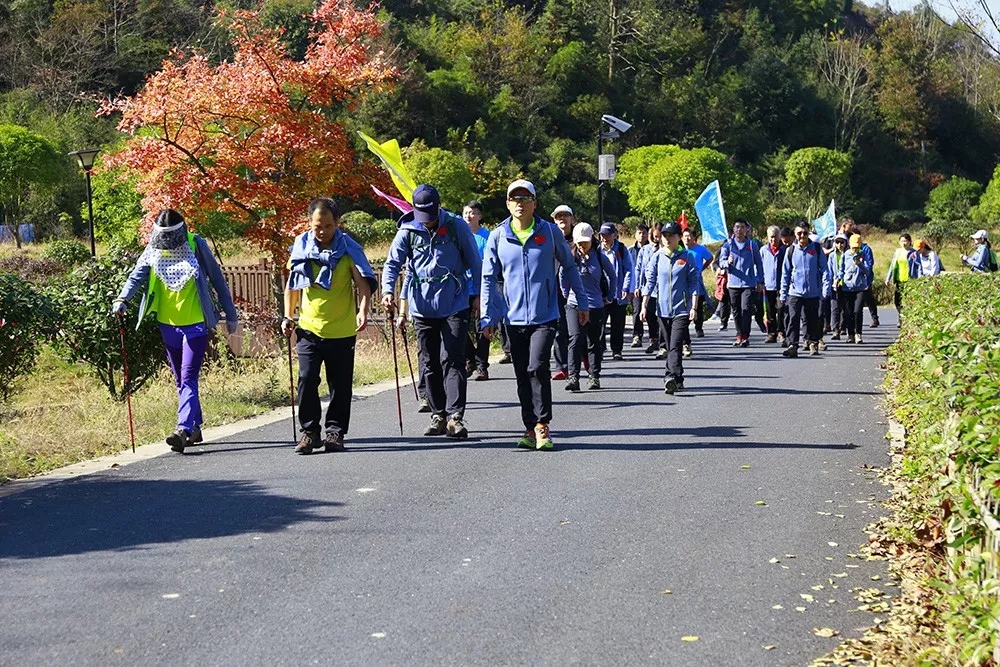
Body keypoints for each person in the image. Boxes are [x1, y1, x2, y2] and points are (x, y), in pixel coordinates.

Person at [112, 209, 238, 453]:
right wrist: (122, 299)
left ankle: (182, 429)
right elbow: (137, 275)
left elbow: (217, 279)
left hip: (196, 324)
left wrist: (230, 314)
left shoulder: (196, 244)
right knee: (180, 379)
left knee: (188, 376)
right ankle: (195, 427)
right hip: (167, 323)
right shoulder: (154, 247)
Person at [480, 179, 587, 451]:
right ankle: (529, 427)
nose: (520, 203)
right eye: (515, 199)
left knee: (537, 367)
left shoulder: (549, 232)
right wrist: (487, 315)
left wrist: (582, 302)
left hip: (545, 315)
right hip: (512, 317)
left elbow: (570, 266)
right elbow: (488, 277)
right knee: (521, 373)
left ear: (535, 203)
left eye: (525, 198)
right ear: (508, 204)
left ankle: (542, 424)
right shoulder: (498, 236)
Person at [381, 184, 482, 439]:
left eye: (431, 215)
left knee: (453, 359)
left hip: (455, 302)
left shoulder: (456, 226)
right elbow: (392, 263)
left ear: (439, 207)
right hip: (422, 306)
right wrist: (387, 290)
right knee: (429, 362)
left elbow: (476, 262)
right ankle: (438, 415)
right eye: (422, 216)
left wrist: (479, 296)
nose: (427, 221)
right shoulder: (408, 230)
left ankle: (455, 416)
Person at [280, 198, 377, 454]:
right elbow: (292, 286)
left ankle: (335, 432)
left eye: (328, 226)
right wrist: (288, 316)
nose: (322, 231)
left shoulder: (348, 250)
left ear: (337, 223)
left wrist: (362, 312)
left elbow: (363, 285)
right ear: (309, 223)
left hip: (342, 331)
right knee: (306, 378)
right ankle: (310, 432)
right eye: (317, 226)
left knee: (340, 385)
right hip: (308, 328)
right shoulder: (301, 248)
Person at [640, 222, 700, 394]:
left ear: (678, 237)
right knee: (670, 346)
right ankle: (678, 378)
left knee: (675, 345)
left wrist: (694, 307)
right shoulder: (657, 257)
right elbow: (650, 282)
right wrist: (644, 305)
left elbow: (693, 283)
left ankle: (670, 377)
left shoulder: (687, 256)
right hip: (662, 310)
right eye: (664, 236)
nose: (667, 239)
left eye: (671, 236)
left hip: (681, 310)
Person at [562, 222, 615, 390]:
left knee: (594, 342)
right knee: (575, 339)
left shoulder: (600, 257)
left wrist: (609, 296)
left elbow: (612, 276)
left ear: (592, 239)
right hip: (574, 304)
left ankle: (594, 376)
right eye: (579, 242)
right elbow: (562, 274)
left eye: (585, 242)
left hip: (595, 305)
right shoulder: (571, 256)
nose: (582, 245)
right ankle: (573, 377)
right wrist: (566, 293)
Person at [780, 224, 830, 358]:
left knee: (812, 319)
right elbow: (785, 273)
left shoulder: (816, 248)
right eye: (799, 233)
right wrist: (783, 293)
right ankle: (793, 345)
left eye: (805, 233)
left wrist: (825, 288)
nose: (802, 236)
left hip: (812, 292)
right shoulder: (791, 250)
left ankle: (813, 343)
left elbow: (824, 269)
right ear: (795, 235)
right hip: (795, 292)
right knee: (793, 319)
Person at [717, 218, 764, 347]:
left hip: (748, 283)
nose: (740, 230)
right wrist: (727, 262)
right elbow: (721, 262)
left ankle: (745, 336)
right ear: (733, 229)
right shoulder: (728, 245)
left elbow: (759, 263)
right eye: (737, 227)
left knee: (746, 309)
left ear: (746, 229)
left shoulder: (752, 245)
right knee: (736, 310)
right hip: (733, 283)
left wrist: (760, 281)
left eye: (742, 227)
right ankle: (739, 335)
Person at [461, 201, 493, 381]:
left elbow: (489, 265)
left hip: (482, 287)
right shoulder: (458, 235)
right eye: (466, 212)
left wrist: (481, 293)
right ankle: (470, 358)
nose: (468, 216)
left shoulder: (487, 237)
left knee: (483, 326)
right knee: (459, 326)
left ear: (479, 216)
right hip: (462, 288)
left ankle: (482, 366)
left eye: (472, 213)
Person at [599, 222, 635, 361]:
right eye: (602, 235)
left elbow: (628, 270)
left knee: (618, 324)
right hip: (602, 293)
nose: (605, 238)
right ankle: (600, 348)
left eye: (608, 235)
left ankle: (617, 350)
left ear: (614, 235)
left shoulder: (621, 249)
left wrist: (626, 287)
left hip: (618, 294)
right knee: (600, 323)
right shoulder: (597, 249)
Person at [550, 205, 576, 380]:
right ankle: (562, 367)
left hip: (575, 290)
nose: (562, 219)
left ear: (572, 219)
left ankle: (581, 359)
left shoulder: (579, 238)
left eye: (565, 215)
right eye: (558, 216)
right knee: (559, 328)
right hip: (555, 290)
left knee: (576, 330)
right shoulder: (549, 238)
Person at [840, 217, 880, 328]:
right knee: (850, 307)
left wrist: (862, 267)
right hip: (850, 284)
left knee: (869, 299)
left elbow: (869, 265)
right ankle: (848, 327)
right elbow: (842, 268)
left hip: (864, 279)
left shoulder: (866, 249)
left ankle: (874, 318)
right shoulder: (847, 253)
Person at [681, 227, 713, 355]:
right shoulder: (680, 250)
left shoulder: (700, 249)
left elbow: (710, 258)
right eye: (685, 236)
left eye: (689, 236)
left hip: (696, 280)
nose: (687, 238)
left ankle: (699, 327)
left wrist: (702, 268)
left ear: (694, 238)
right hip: (684, 281)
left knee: (698, 303)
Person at [839, 233, 874, 344]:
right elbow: (841, 269)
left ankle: (858, 333)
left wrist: (860, 264)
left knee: (857, 311)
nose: (855, 249)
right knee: (848, 312)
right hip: (847, 287)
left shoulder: (864, 254)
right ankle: (850, 334)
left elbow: (868, 271)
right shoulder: (845, 255)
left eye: (857, 247)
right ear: (849, 244)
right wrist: (838, 279)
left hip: (860, 287)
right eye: (853, 247)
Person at [637, 223, 664, 353]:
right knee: (650, 316)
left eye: (660, 236)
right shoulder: (645, 249)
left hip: (663, 288)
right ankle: (653, 340)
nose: (657, 238)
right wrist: (638, 286)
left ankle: (664, 343)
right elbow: (639, 269)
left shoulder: (667, 249)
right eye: (655, 236)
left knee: (662, 317)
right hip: (649, 287)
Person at [759, 225, 788, 345]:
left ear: (779, 236)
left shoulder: (785, 250)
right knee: (769, 311)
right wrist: (759, 281)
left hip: (781, 286)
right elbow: (759, 267)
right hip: (768, 285)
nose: (773, 239)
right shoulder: (763, 250)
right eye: (771, 237)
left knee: (781, 310)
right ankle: (772, 333)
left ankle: (781, 332)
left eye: (775, 237)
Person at [884, 233, 920, 325]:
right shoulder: (897, 252)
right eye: (902, 241)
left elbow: (919, 266)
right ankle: (901, 316)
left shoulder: (914, 253)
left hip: (909, 280)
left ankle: (907, 319)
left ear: (910, 242)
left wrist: (919, 279)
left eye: (906, 241)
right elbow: (892, 265)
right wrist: (888, 278)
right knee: (897, 301)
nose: (904, 243)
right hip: (899, 280)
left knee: (909, 300)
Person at [629, 224, 649, 348]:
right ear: (635, 235)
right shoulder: (630, 250)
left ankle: (654, 337)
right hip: (635, 286)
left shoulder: (652, 249)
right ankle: (637, 336)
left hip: (650, 286)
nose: (642, 235)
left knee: (651, 312)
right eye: (639, 233)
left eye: (644, 233)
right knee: (636, 311)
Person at [827, 233, 849, 340]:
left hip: (846, 285)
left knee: (845, 308)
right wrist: (830, 282)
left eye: (842, 242)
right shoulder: (832, 255)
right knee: (835, 308)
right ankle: (835, 330)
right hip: (835, 285)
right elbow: (829, 269)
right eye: (837, 242)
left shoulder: (848, 254)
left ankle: (843, 327)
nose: (840, 244)